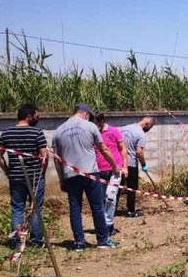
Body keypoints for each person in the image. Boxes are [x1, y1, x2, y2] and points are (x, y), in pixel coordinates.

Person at [52, 103, 119, 251]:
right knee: (97, 207)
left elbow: (56, 159)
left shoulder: (58, 131)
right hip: (90, 173)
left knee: (75, 209)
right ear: (86, 114)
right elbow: (104, 149)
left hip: (71, 176)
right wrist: (114, 166)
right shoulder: (90, 127)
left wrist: (62, 179)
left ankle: (80, 243)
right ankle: (102, 241)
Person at [0, 104, 48, 248]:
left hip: (16, 177)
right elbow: (44, 156)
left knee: (17, 209)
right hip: (35, 177)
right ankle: (37, 241)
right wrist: (42, 172)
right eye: (37, 116)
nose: (38, 119)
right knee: (36, 208)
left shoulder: (6, 133)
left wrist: (7, 171)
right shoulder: (37, 133)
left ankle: (17, 242)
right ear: (29, 116)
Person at [92, 113, 128, 235]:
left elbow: (123, 148)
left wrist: (125, 167)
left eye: (97, 123)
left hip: (115, 170)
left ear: (102, 121)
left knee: (110, 198)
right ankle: (103, 225)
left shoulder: (114, 131)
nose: (96, 125)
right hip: (99, 170)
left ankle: (109, 226)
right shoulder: (93, 133)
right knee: (100, 199)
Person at [119, 117, 155, 217]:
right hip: (130, 164)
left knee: (117, 187)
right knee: (132, 188)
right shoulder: (141, 134)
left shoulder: (125, 128)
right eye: (150, 127)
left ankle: (110, 209)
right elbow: (139, 151)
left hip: (119, 163)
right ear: (147, 124)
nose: (149, 129)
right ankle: (131, 211)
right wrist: (144, 165)